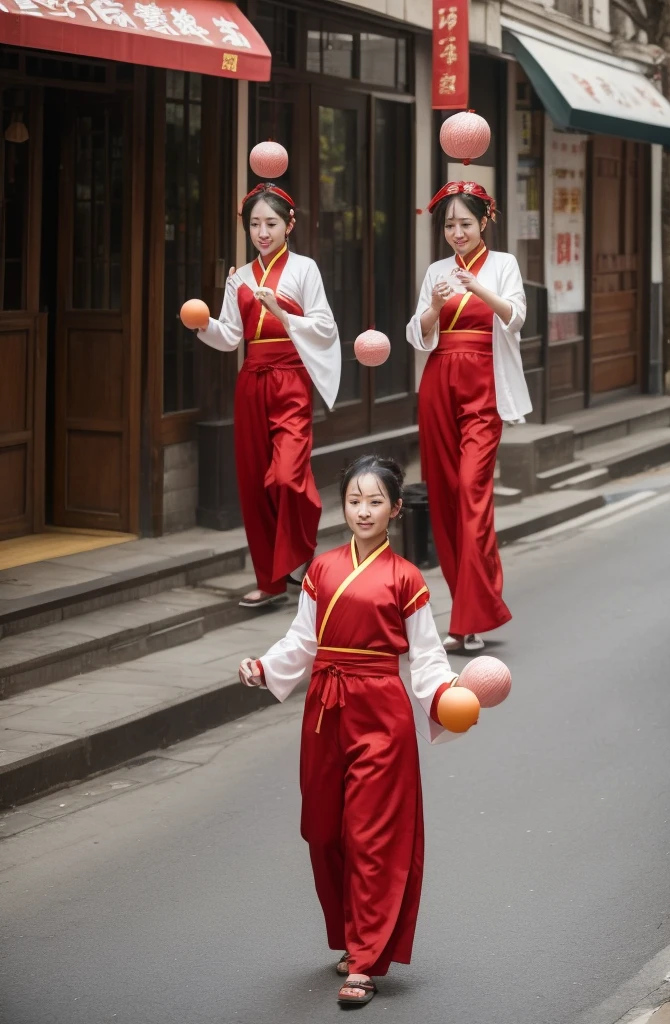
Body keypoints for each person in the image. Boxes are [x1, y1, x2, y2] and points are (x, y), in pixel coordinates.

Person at [238, 455, 458, 1007]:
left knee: (372, 835)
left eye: (375, 501)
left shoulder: (406, 578)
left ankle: (364, 960)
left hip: (381, 713)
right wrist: (265, 666)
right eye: (355, 501)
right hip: (324, 709)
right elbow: (301, 640)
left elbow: (427, 658)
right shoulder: (321, 568)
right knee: (324, 829)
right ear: (344, 506)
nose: (364, 510)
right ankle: (349, 934)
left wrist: (447, 695)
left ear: (396, 510)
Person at [196, 183, 341, 608]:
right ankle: (270, 581)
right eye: (255, 224)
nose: (262, 232)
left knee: (286, 475)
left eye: (271, 223)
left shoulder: (304, 270)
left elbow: (324, 327)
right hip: (252, 381)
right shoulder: (239, 277)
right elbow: (230, 336)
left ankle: (299, 556)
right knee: (253, 484)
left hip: (292, 380)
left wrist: (280, 311)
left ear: (289, 225)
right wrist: (202, 324)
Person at [407, 182, 532, 653]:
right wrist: (435, 307)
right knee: (443, 494)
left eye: (465, 223)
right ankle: (464, 615)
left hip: (484, 387)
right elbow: (418, 333)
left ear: (484, 222)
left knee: (471, 492)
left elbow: (516, 317)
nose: (457, 232)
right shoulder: (437, 270)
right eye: (449, 225)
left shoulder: (503, 266)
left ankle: (473, 614)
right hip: (439, 384)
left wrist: (479, 287)